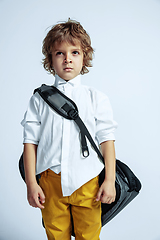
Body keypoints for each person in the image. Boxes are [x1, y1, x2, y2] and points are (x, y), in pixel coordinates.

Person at [21, 18, 118, 240]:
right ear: (50, 60)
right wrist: (32, 184)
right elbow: (29, 142)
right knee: (56, 236)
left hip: (88, 182)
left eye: (75, 52)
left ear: (85, 57)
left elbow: (107, 140)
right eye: (59, 53)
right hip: (50, 183)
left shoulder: (96, 98)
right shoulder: (39, 100)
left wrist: (109, 180)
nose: (67, 59)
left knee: (89, 236)